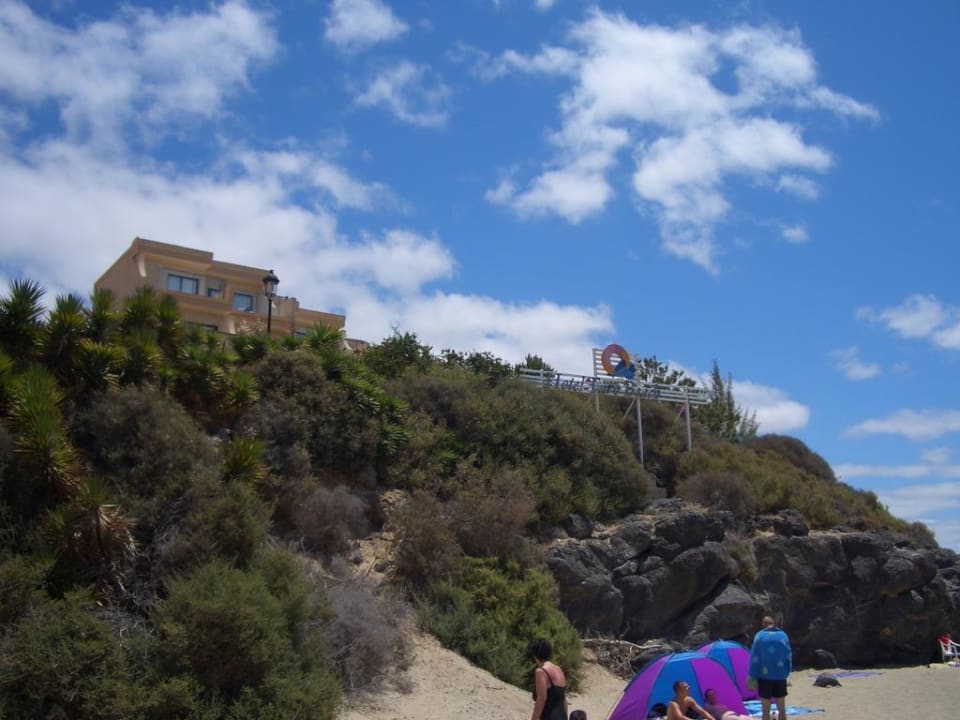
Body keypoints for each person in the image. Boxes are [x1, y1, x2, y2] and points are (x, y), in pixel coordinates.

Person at [748, 615, 792, 720]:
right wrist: (787, 672)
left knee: (765, 710)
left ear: (763, 624)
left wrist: (752, 675)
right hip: (780, 676)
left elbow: (754, 658)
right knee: (782, 709)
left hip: (765, 677)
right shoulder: (783, 635)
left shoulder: (759, 636)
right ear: (773, 623)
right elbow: (788, 655)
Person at [529, 638, 568, 720]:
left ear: (535, 656)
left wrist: (534, 718)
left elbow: (541, 698)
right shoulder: (559, 670)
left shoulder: (541, 672)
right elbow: (564, 699)